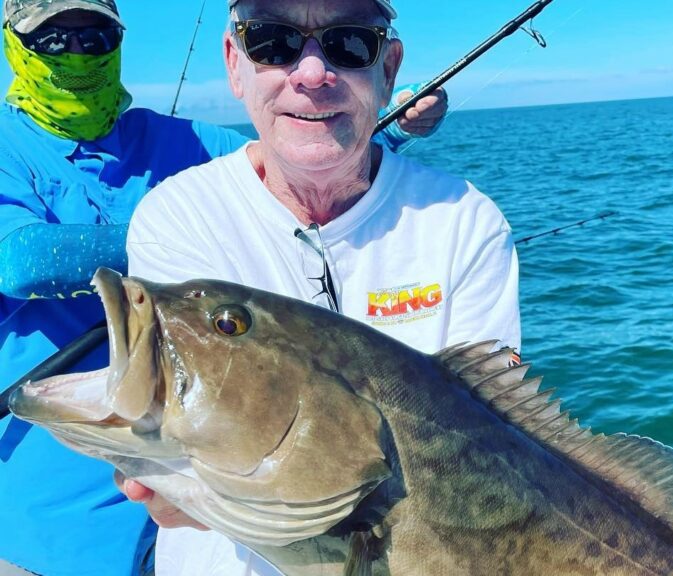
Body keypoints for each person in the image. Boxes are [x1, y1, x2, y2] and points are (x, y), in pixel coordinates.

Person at [0, 0, 448, 574]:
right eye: (54, 39)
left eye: (97, 38)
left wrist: (384, 114)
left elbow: (293, 159)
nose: (79, 53)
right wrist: (168, 231)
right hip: (55, 524)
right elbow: (21, 262)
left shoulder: (179, 140)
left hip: (222, 490)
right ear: (15, 44)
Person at [122, 0, 521, 574]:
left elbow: (500, 450)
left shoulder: (466, 219)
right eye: (272, 40)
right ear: (235, 64)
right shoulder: (179, 215)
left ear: (388, 71)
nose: (312, 74)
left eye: (350, 43)